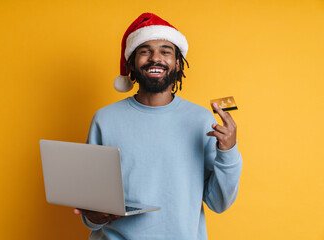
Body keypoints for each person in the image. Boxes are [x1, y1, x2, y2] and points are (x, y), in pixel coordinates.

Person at [73, 12, 243, 240]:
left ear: (178, 63)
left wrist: (228, 152)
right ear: (131, 62)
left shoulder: (202, 120)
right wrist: (96, 216)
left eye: (166, 51)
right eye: (145, 51)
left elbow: (218, 203)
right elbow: (91, 215)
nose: (155, 58)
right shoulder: (105, 119)